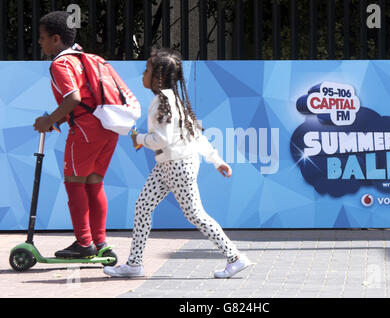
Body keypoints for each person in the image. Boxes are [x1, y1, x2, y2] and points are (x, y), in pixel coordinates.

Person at [103, 48, 253, 278]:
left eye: (147, 71)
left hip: (178, 166)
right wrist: (216, 160)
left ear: (159, 78)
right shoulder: (172, 101)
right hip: (169, 166)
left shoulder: (163, 102)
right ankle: (134, 264)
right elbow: (195, 135)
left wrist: (139, 138)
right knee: (143, 206)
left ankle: (235, 257)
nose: (143, 75)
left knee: (195, 214)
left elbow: (161, 139)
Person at [33, 11, 118, 258]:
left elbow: (74, 98)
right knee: (94, 182)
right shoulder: (85, 58)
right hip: (108, 127)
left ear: (56, 38)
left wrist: (49, 120)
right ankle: (100, 243)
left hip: (84, 130)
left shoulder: (61, 63)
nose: (40, 42)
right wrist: (55, 119)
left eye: (42, 37)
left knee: (74, 183)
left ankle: (84, 243)